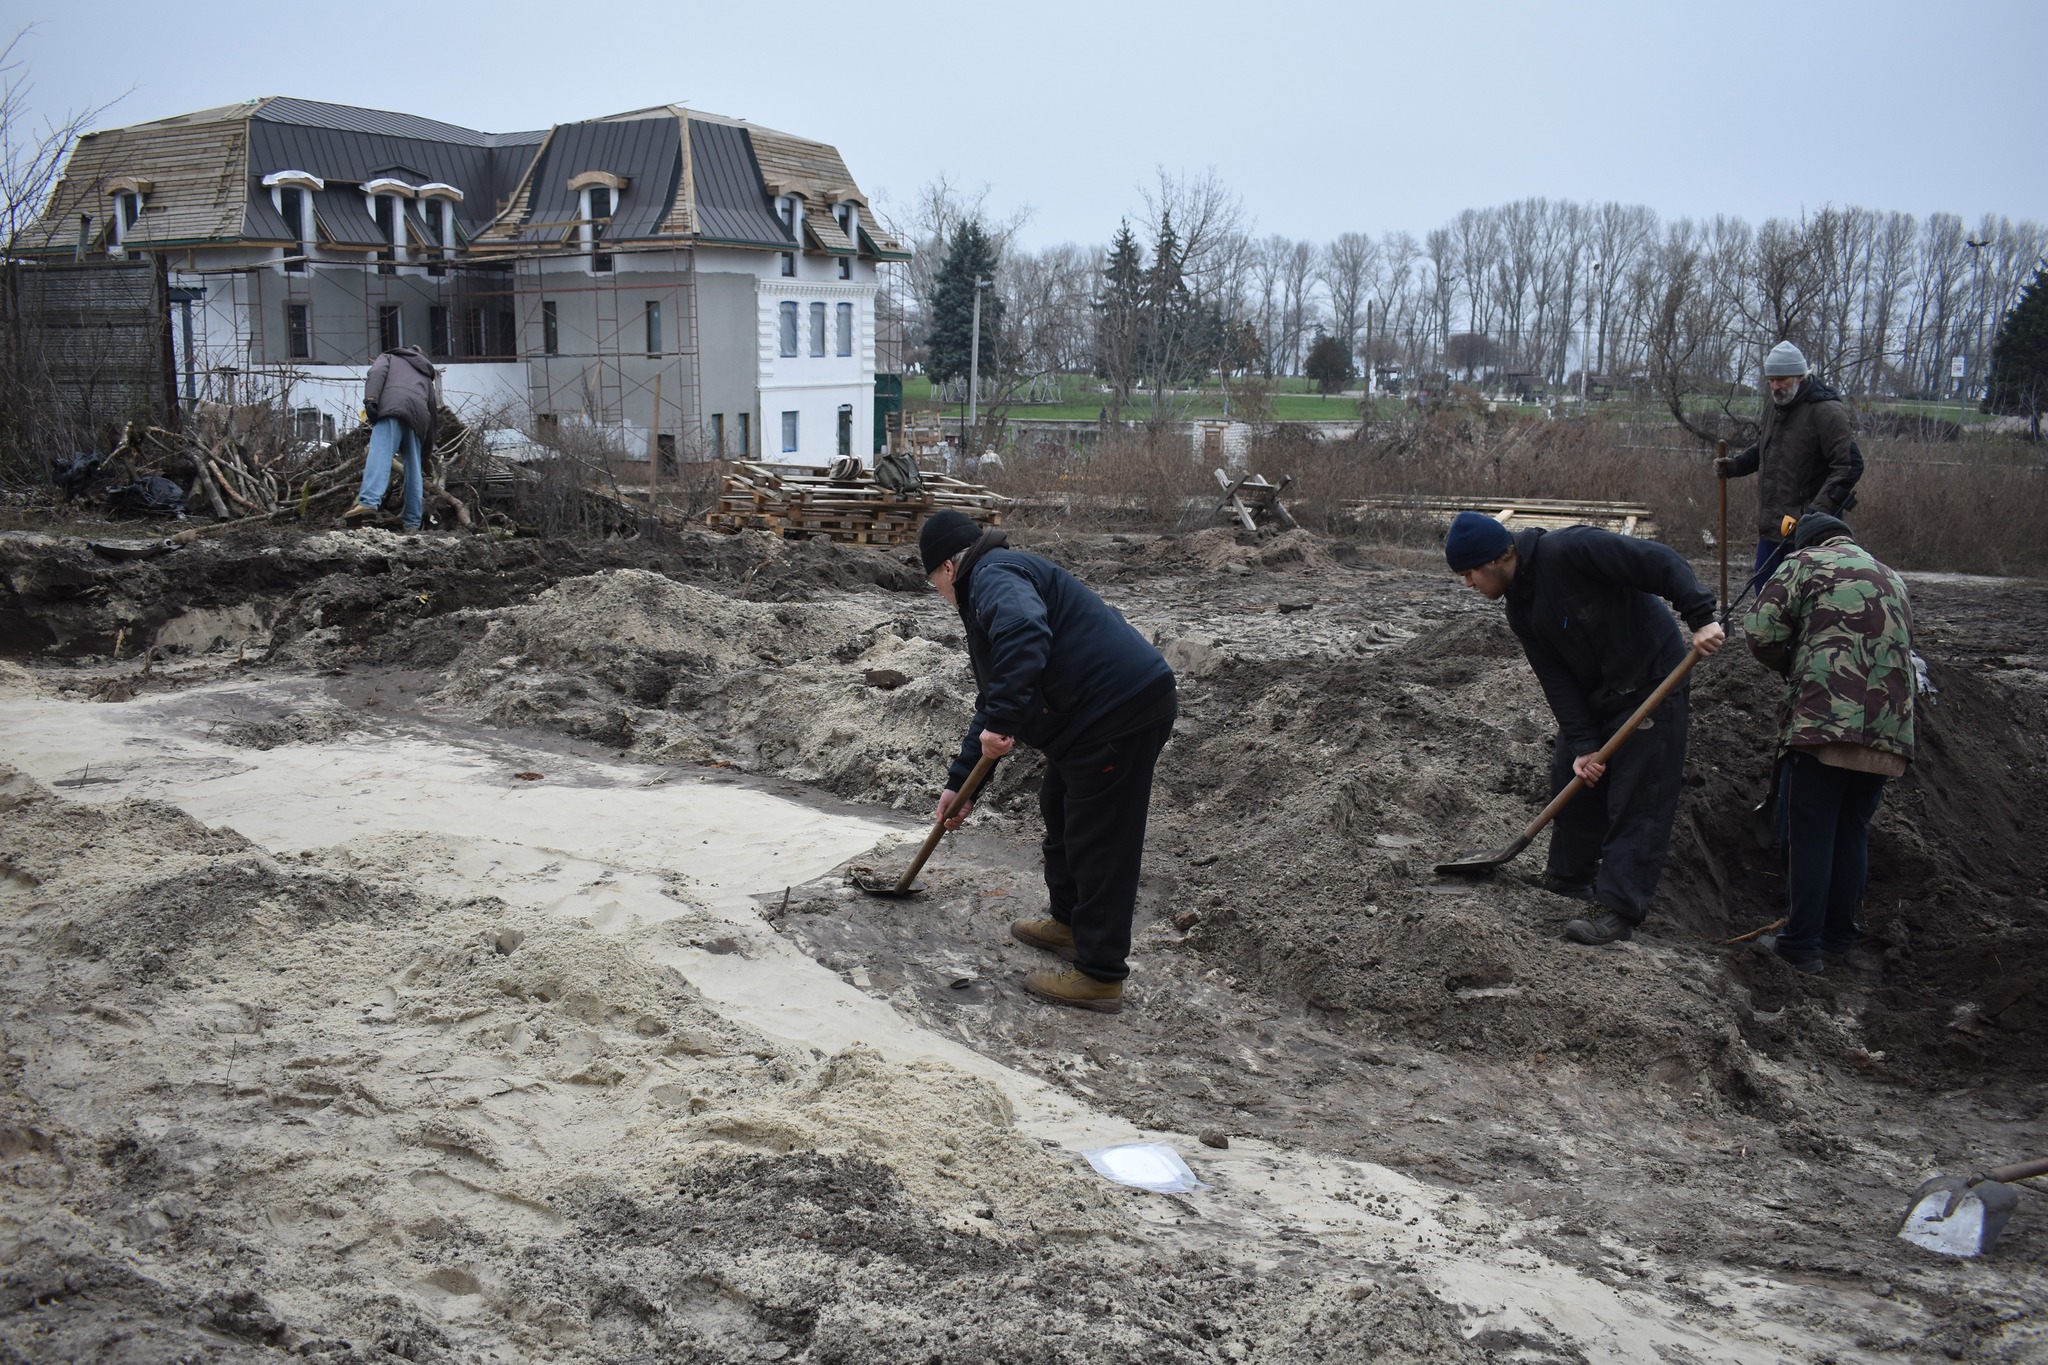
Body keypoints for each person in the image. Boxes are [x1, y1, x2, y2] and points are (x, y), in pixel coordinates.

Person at [919, 509, 1177, 1014]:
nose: (941, 595)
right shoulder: (995, 578)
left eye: (934, 583)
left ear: (948, 567)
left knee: (1101, 838)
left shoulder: (993, 576)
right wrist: (962, 785)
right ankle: (1068, 924)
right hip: (1087, 719)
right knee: (1059, 808)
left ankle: (1100, 974)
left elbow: (1024, 633)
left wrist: (1004, 720)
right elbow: (994, 697)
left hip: (1120, 712)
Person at [1445, 511, 1725, 945]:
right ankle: (1568, 877)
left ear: (1495, 559)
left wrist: (1701, 617)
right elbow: (1556, 680)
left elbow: (1659, 562)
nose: (1467, 584)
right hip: (1599, 694)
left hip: (1652, 681)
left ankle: (1617, 909)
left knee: (1638, 797)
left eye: (1469, 573)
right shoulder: (1520, 608)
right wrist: (1583, 744)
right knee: (1571, 774)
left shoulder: (1572, 549)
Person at [1738, 513, 1915, 974]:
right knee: (1851, 829)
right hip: (1888, 728)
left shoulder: (1804, 562)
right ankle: (1837, 938)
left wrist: (1794, 663)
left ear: (1806, 543)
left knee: (1808, 832)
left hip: (1824, 723)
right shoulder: (1891, 576)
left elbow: (1760, 632)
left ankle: (1800, 945)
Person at [1716, 341, 1862, 593]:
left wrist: (1814, 514)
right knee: (1766, 594)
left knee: (1804, 597)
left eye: (1781, 379)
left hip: (1810, 533)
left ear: (1800, 376)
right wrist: (1736, 465)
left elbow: (1849, 465)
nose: (1775, 386)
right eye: (1770, 380)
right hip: (1772, 528)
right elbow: (1766, 449)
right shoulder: (1774, 406)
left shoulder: (1826, 411)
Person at [345, 344, 442, 531]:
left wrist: (371, 399)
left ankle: (369, 502)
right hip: (418, 416)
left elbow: (376, 373)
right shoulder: (425, 374)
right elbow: (433, 414)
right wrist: (426, 452)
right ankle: (412, 521)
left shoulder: (390, 357)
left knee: (381, 452)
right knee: (413, 467)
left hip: (393, 405)